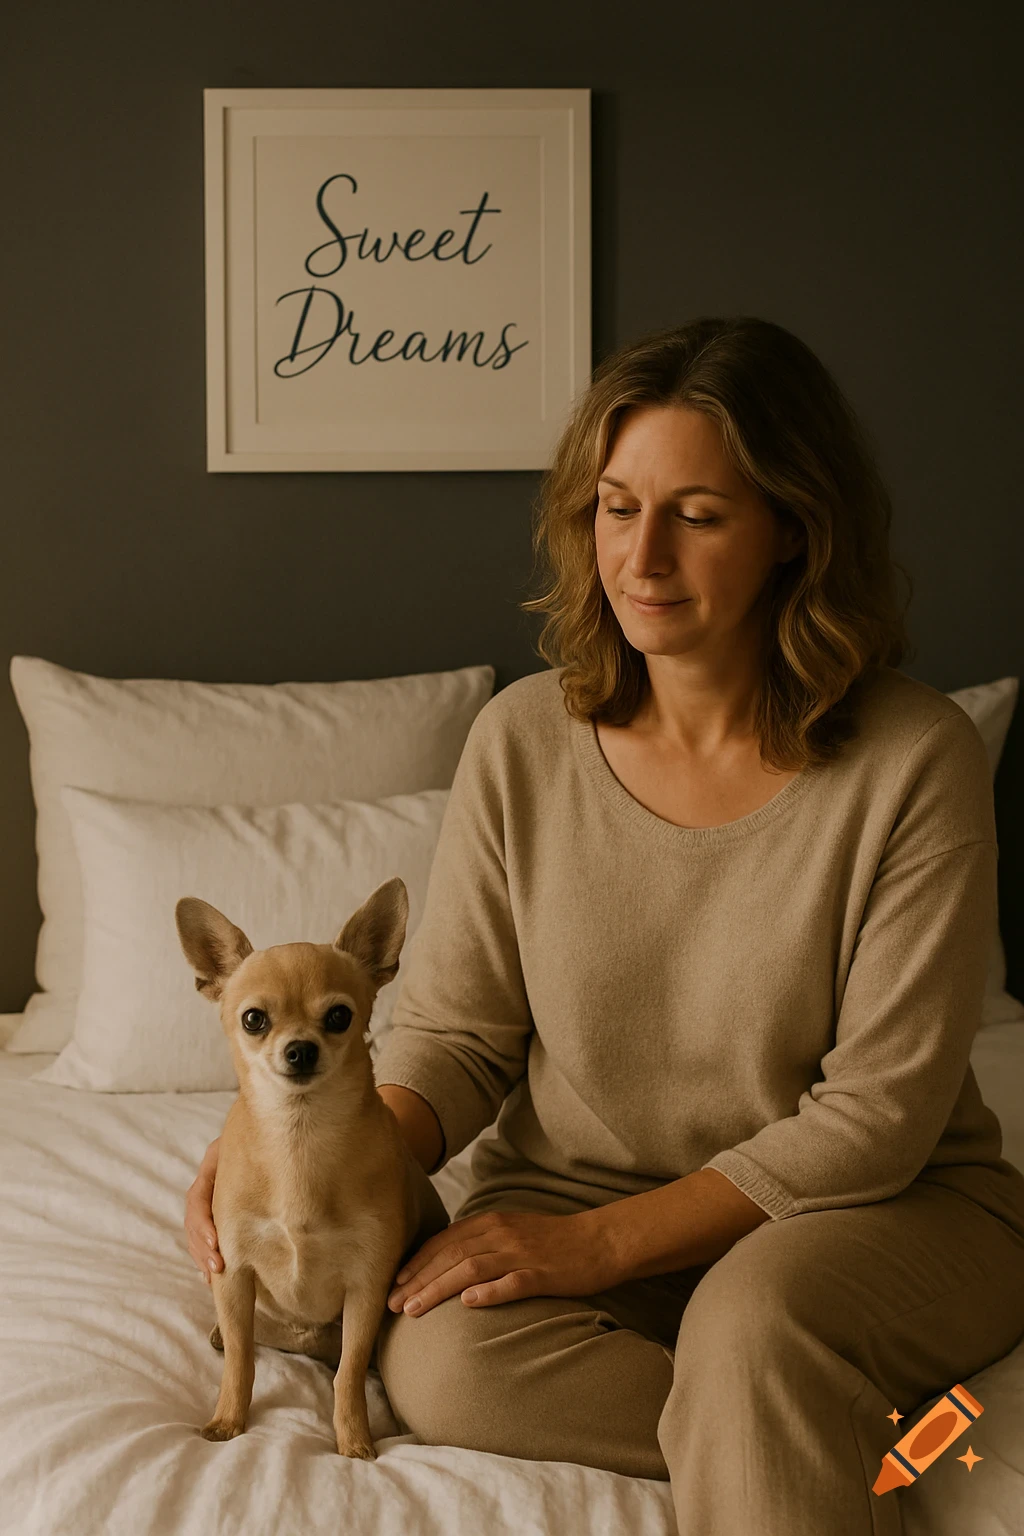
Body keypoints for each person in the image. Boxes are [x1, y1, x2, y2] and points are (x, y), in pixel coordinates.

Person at [184, 315, 1024, 1536]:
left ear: (795, 528)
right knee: (437, 1362)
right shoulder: (523, 742)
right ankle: (828, 1436)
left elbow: (876, 1118)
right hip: (570, 1194)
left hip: (867, 1215)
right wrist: (310, 1151)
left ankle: (774, 1398)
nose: (642, 555)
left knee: (753, 1325)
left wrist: (601, 1252)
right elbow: (464, 1038)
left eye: (698, 513)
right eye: (615, 506)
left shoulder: (915, 759)